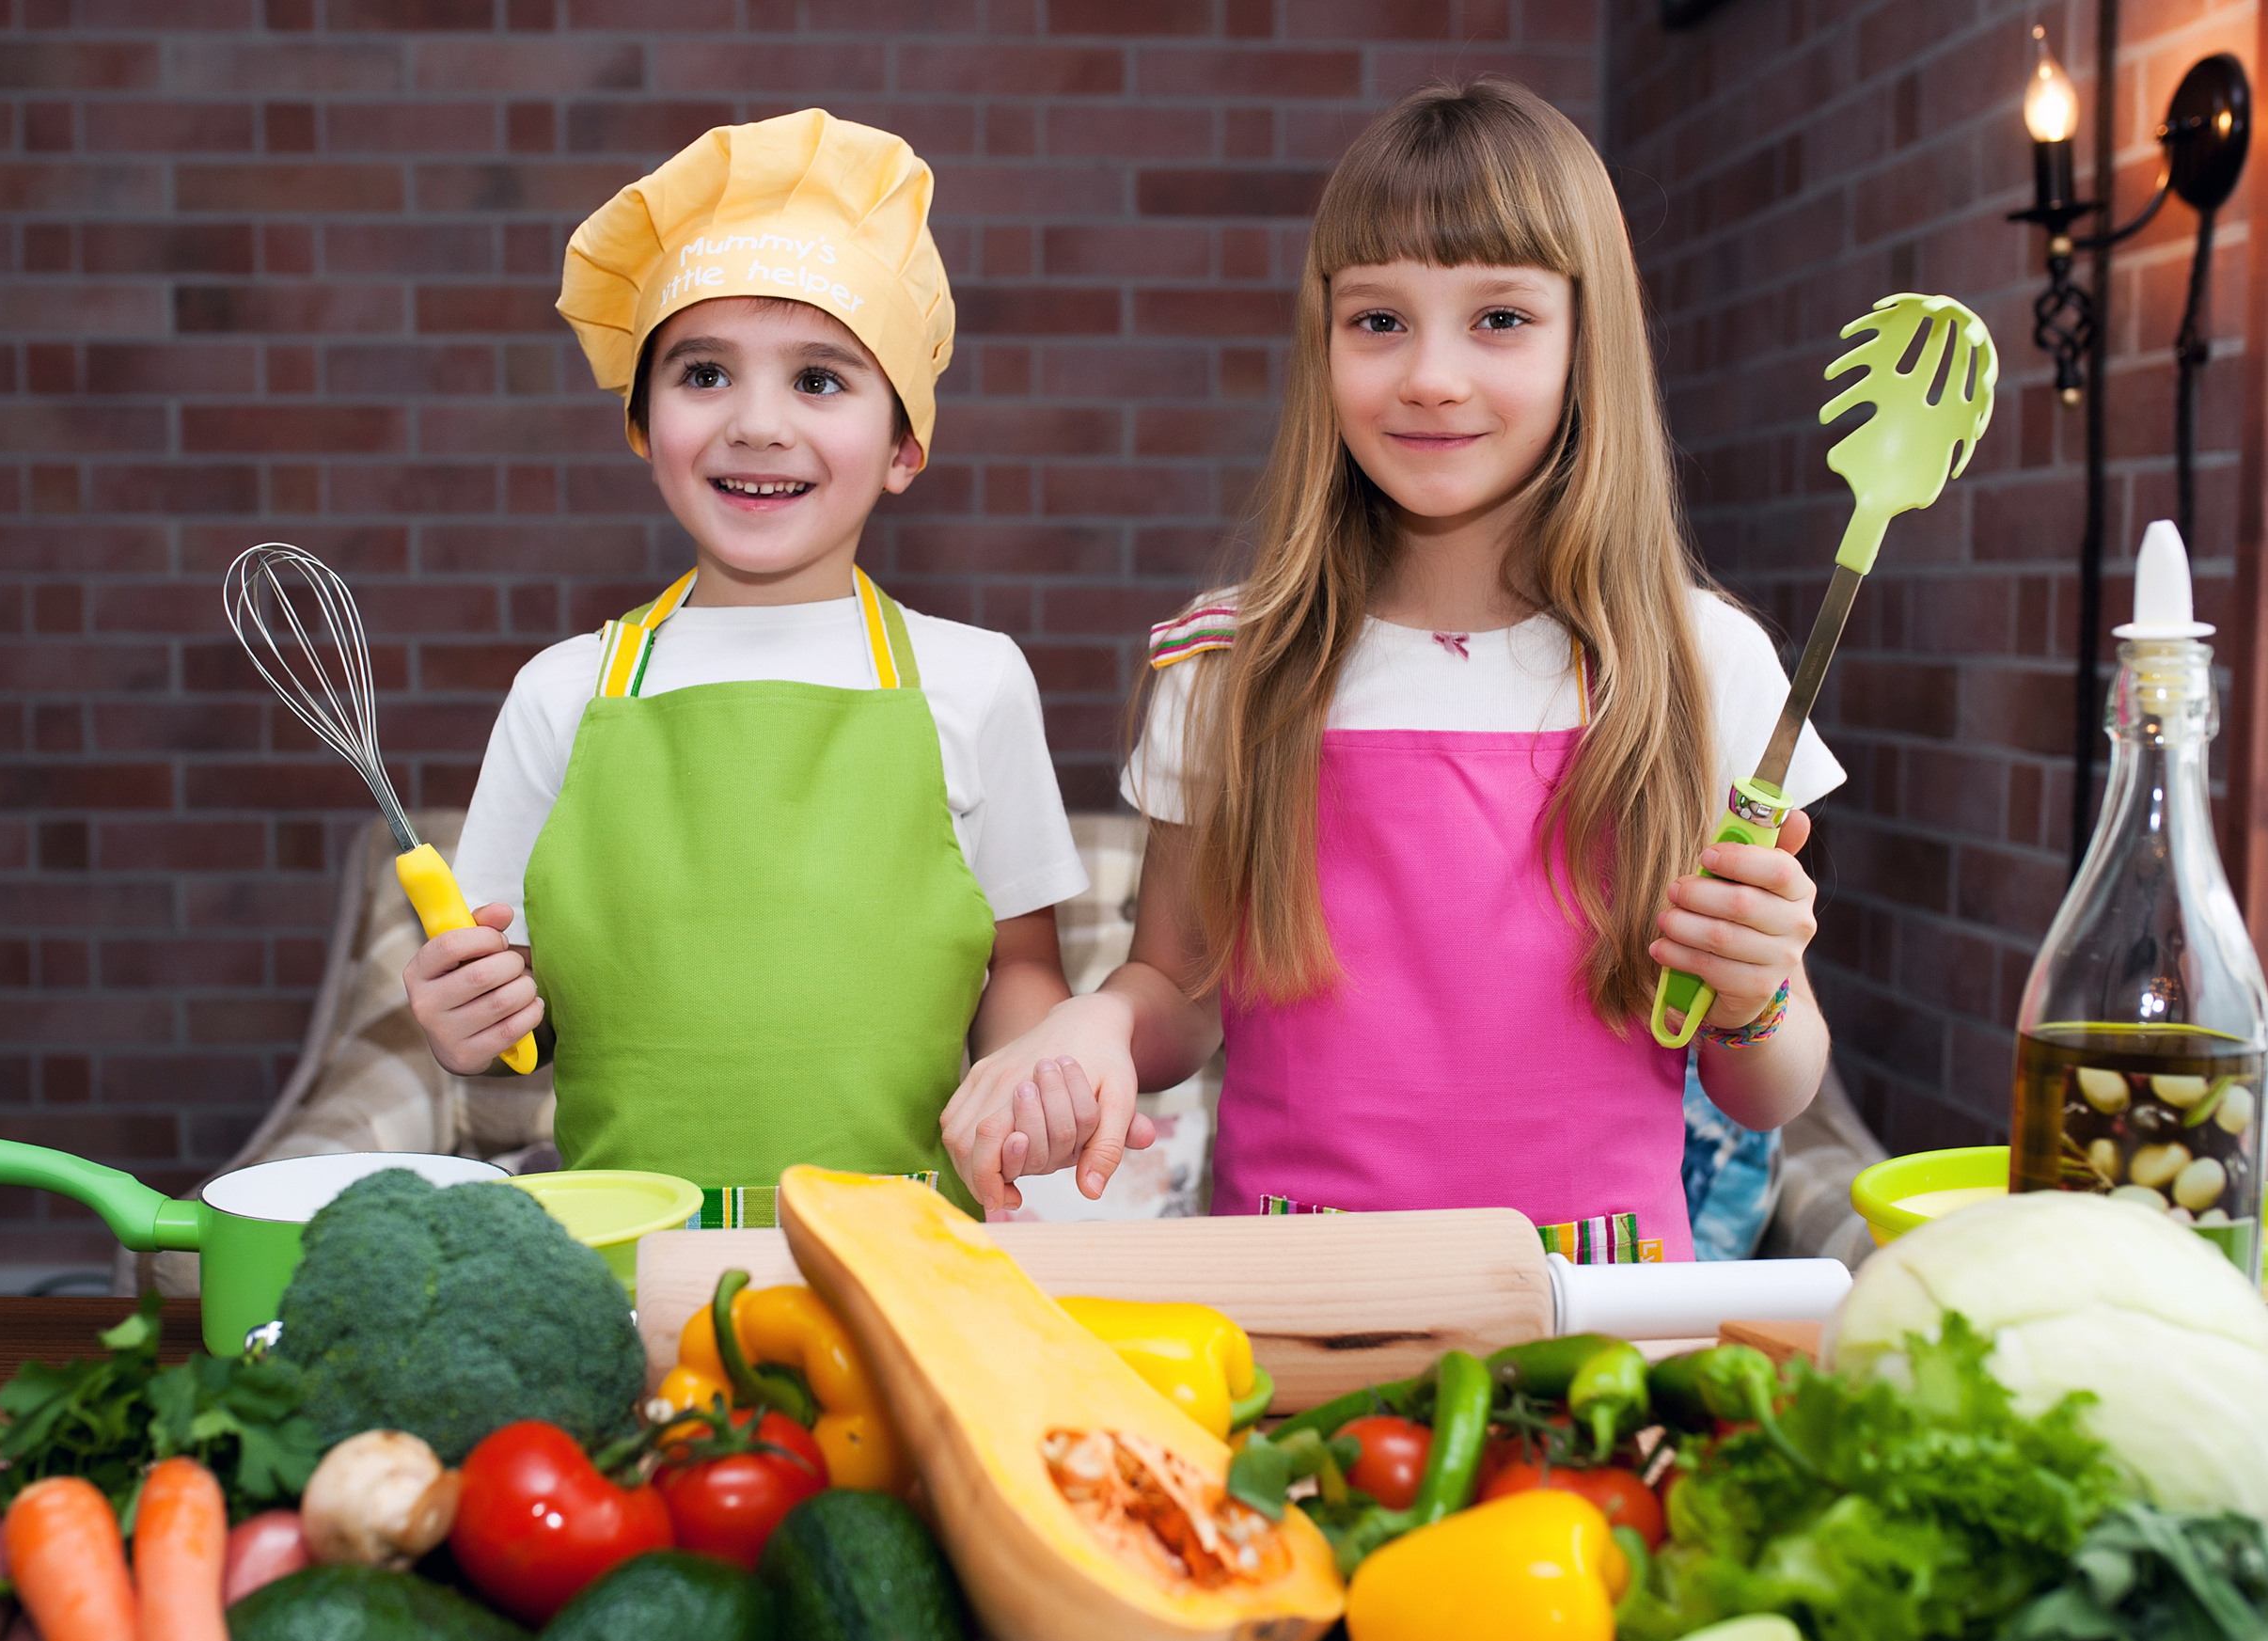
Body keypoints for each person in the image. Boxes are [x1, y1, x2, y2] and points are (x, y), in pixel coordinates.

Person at [944, 81, 1843, 1259]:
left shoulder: (1700, 663)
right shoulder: (1226, 662)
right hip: (1289, 1310)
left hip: (1599, 1333)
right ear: (1323, 341)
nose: (1429, 375)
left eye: (1499, 319)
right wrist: (1098, 1022)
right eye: (1379, 320)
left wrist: (1753, 991)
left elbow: (1770, 1091)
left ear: (1590, 340)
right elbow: (1178, 988)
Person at [404, 110, 1099, 1223]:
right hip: (619, 1264)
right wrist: (462, 1030)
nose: (758, 424)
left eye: (820, 381)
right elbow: (510, 1037)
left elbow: (1020, 965)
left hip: (907, 1261)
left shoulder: (976, 682)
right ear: (643, 422)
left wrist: (1034, 1081)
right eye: (704, 374)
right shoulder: (561, 694)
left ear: (905, 444)